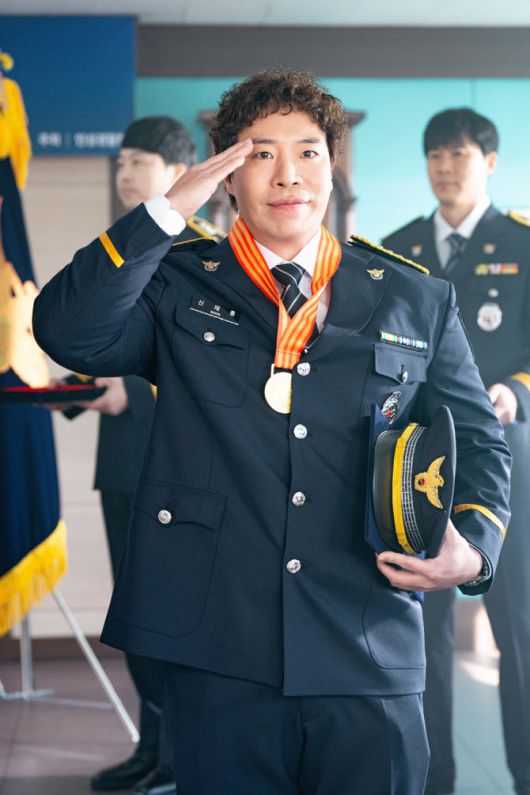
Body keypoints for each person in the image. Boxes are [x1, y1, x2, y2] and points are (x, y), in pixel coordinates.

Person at [34, 70, 511, 795]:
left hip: (366, 645)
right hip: (219, 649)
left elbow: (480, 441)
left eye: (309, 152)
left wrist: (473, 550)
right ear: (226, 175)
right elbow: (66, 330)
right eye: (260, 154)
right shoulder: (176, 282)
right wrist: (166, 211)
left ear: (332, 166)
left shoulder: (413, 297)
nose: (289, 174)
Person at [58, 116, 224, 795]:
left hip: (178, 470)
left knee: (174, 620)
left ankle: (183, 761)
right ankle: (151, 748)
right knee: (134, 619)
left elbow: (215, 371)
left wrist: (129, 390)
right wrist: (66, 387)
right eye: (121, 161)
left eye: (139, 161)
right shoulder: (122, 247)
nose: (124, 173)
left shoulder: (206, 252)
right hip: (123, 463)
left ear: (180, 171)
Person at [383, 107, 530, 795]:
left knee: (518, 629)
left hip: (507, 456)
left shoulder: (523, 243)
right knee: (419, 630)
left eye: (460, 154)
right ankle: (431, 780)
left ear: (489, 162)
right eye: (435, 155)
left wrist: (515, 390)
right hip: (418, 467)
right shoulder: (396, 248)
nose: (445, 167)